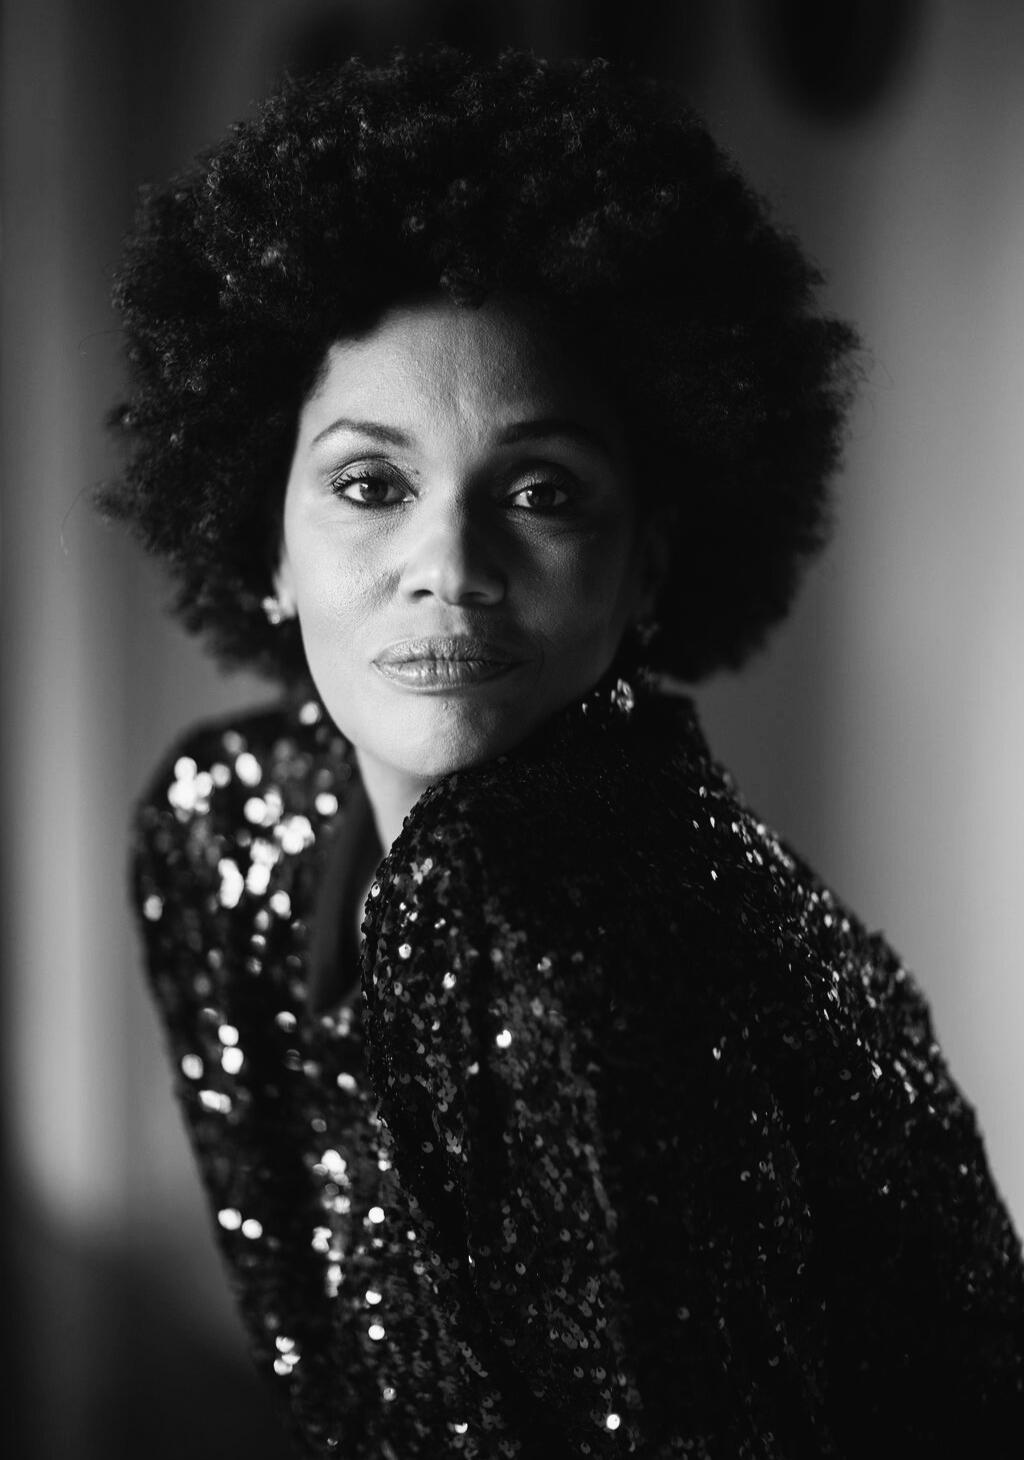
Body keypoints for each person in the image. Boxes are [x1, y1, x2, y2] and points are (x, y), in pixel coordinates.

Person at [101, 47, 1024, 1458]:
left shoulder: (563, 921)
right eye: (371, 483)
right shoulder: (224, 826)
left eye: (539, 491)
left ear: (646, 563)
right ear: (263, 543)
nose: (451, 566)